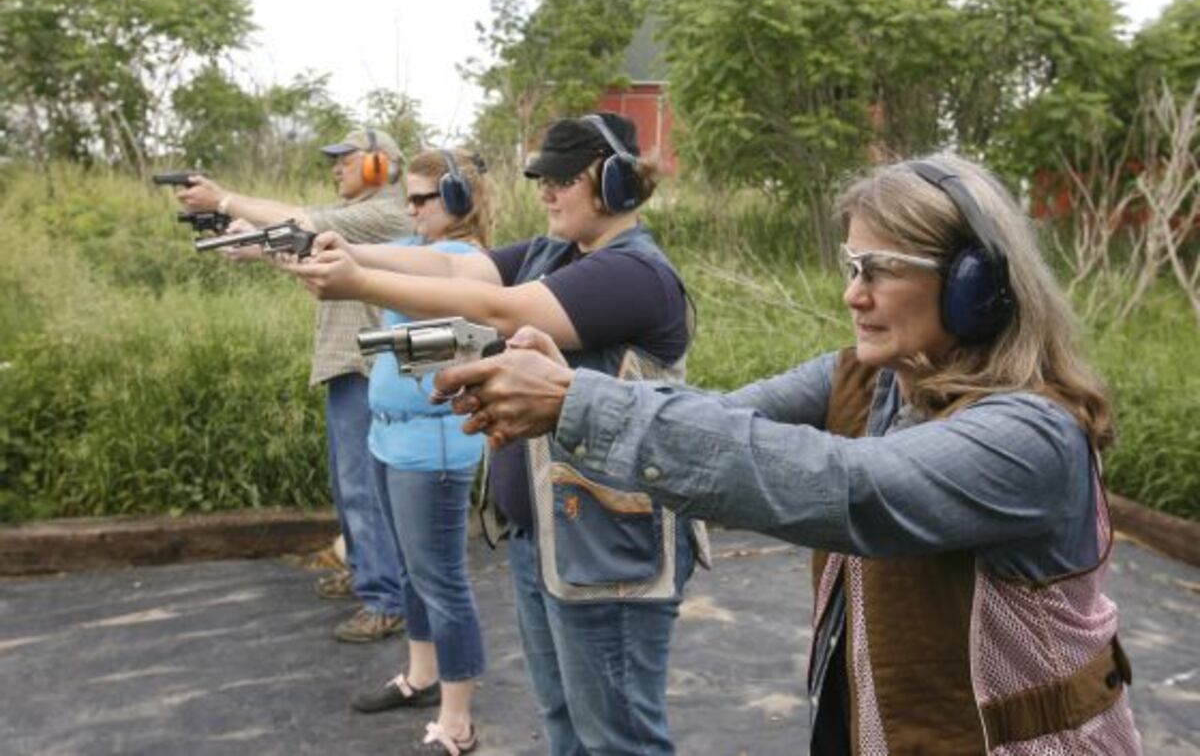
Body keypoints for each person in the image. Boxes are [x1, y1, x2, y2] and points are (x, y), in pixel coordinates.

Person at [433, 154, 1144, 754]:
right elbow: (722, 420)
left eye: (878, 269)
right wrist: (573, 385)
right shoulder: (872, 378)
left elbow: (849, 487)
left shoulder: (1030, 436)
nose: (852, 292)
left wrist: (575, 402)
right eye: (851, 264)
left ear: (974, 284)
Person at [287, 113, 706, 755]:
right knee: (565, 724)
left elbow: (498, 307)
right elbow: (458, 273)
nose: (546, 191)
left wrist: (357, 283)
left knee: (618, 740)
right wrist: (345, 251)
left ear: (617, 183)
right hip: (546, 535)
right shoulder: (553, 253)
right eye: (543, 177)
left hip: (607, 549)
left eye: (564, 178)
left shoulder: (633, 273)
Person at [176, 128, 411, 643]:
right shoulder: (362, 217)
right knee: (347, 483)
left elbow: (301, 221)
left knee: (364, 488)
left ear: (379, 166)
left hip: (366, 368)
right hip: (347, 364)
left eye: (346, 162)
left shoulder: (389, 211)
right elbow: (308, 252)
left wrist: (224, 198)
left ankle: (386, 599)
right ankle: (367, 573)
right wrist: (252, 248)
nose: (336, 169)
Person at [348, 148, 494, 755]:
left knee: (442, 580)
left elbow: (406, 273)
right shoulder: (423, 254)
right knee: (414, 572)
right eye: (406, 199)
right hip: (392, 435)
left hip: (429, 447)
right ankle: (422, 675)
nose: (409, 210)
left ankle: (457, 720)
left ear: (459, 200)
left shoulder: (461, 260)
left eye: (420, 199)